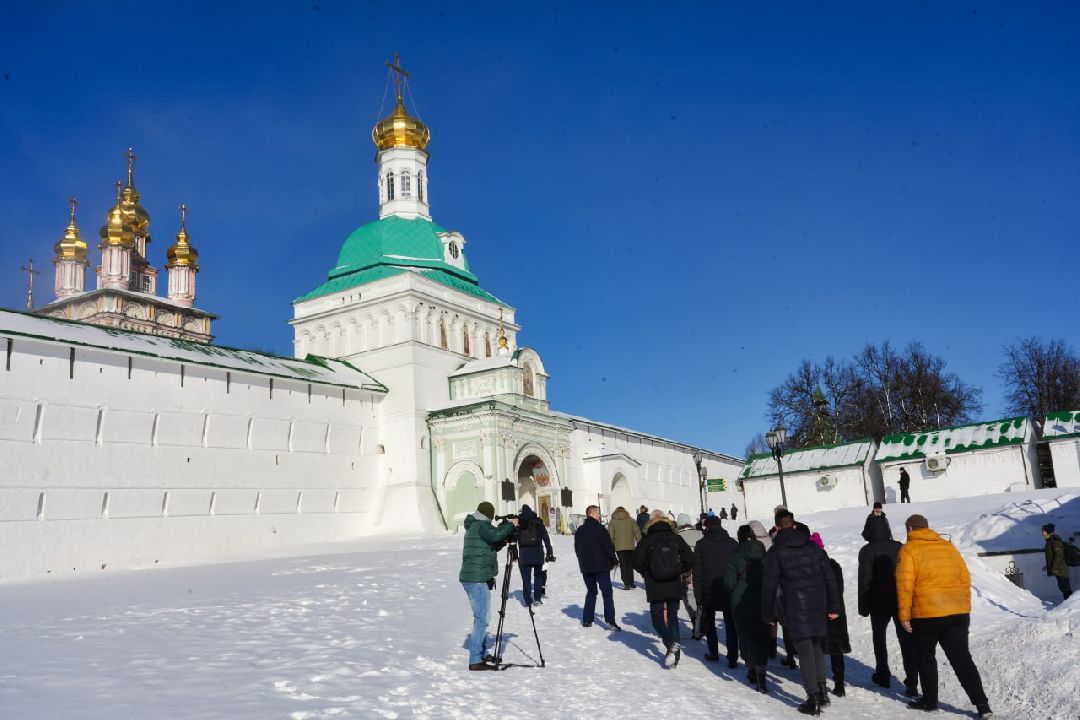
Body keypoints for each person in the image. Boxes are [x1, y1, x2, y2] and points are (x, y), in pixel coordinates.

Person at [897, 514, 992, 718]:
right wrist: (964, 606)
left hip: (926, 614)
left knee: (925, 657)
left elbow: (905, 585)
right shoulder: (948, 547)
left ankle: (930, 701)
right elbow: (964, 578)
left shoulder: (909, 549)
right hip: (957, 613)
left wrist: (904, 615)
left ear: (910, 529)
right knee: (962, 658)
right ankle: (982, 705)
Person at [762, 513, 841, 716]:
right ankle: (822, 692)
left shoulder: (775, 552)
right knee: (816, 646)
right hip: (818, 602)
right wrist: (834, 606)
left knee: (805, 650)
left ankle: (813, 698)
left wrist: (768, 613)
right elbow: (829, 577)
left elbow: (769, 586)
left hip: (795, 605)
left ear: (777, 528)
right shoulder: (813, 547)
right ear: (794, 525)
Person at [858, 512, 918, 695]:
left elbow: (864, 580)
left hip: (878, 602)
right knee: (906, 641)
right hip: (900, 600)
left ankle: (883, 675)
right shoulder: (899, 546)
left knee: (879, 638)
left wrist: (863, 607)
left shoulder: (867, 551)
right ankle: (912, 682)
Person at [458, 501, 518, 671]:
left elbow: (492, 542)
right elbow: (495, 535)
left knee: (481, 618)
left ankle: (481, 653)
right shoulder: (481, 525)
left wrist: (505, 535)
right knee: (482, 619)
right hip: (476, 579)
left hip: (473, 577)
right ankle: (475, 659)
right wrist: (510, 525)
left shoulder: (475, 526)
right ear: (488, 516)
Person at [633, 513, 695, 668]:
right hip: (673, 582)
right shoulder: (676, 538)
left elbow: (636, 561)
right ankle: (675, 655)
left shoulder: (647, 540)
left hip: (655, 584)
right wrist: (679, 570)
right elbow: (690, 559)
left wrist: (646, 572)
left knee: (657, 619)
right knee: (673, 618)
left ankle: (670, 644)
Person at [725, 524, 771, 694]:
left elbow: (729, 583)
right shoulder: (764, 555)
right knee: (762, 636)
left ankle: (751, 669)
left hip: (740, 602)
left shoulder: (734, 557)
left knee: (745, 636)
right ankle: (762, 674)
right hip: (762, 600)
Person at [694, 515, 740, 667]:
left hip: (708, 590)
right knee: (730, 625)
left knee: (710, 624)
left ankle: (713, 652)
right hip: (729, 589)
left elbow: (697, 572)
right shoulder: (732, 543)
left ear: (706, 526)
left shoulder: (701, 545)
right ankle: (732, 657)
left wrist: (698, 595)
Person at [811, 533, 850, 698]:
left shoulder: (812, 567)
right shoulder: (834, 565)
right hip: (836, 611)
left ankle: (819, 683)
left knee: (817, 647)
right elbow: (839, 588)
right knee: (836, 649)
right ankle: (839, 684)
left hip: (818, 611)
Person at [574, 505, 621, 630]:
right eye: (598, 513)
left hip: (586, 567)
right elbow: (608, 547)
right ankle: (610, 621)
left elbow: (577, 548)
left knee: (591, 592)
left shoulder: (580, 530)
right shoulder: (600, 529)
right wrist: (614, 560)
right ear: (592, 514)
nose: (599, 515)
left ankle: (587, 620)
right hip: (601, 566)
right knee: (607, 592)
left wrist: (582, 561)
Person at [516, 504, 554, 606]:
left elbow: (515, 538)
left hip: (524, 555)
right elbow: (545, 537)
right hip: (537, 553)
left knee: (526, 578)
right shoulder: (538, 521)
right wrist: (549, 551)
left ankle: (527, 600)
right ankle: (537, 598)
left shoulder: (519, 522)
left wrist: (515, 553)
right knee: (538, 576)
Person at [607, 505, 642, 590]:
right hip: (630, 546)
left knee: (623, 565)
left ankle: (626, 583)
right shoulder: (631, 520)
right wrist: (640, 543)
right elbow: (637, 532)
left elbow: (611, 535)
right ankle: (631, 582)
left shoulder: (613, 521)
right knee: (630, 564)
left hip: (619, 547)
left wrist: (611, 545)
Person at [1042, 523, 1072, 601]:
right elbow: (1052, 556)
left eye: (1044, 531)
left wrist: (1054, 568)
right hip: (1058, 569)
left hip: (1060, 569)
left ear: (1048, 531)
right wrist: (1048, 566)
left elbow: (1059, 556)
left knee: (1065, 588)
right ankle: (1068, 602)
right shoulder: (1050, 541)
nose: (1042, 532)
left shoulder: (1055, 541)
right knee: (1063, 587)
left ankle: (1070, 603)